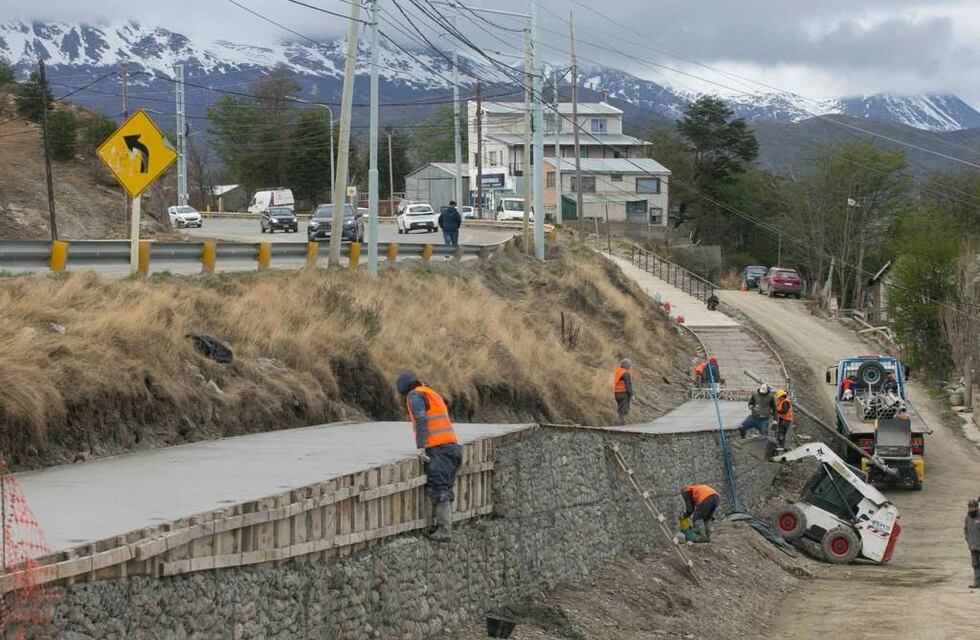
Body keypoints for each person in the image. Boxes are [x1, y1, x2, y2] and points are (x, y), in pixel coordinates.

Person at [396, 372, 462, 541]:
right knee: (444, 486)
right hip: (452, 448)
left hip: (438, 448)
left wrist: (421, 446)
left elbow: (421, 418)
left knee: (440, 487)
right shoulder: (431, 392)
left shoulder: (415, 395)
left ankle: (444, 529)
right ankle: (441, 526)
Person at [613, 358, 634, 424]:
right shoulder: (626, 373)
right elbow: (628, 384)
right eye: (629, 365)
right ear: (626, 365)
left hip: (616, 393)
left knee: (620, 406)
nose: (630, 367)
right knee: (623, 407)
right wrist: (631, 394)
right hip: (623, 393)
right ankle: (620, 421)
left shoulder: (617, 371)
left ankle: (620, 420)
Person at [965, 499, 980, 588]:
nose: (970, 509)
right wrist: (968, 539)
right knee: (975, 564)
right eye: (969, 507)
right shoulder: (968, 517)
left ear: (976, 507)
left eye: (972, 507)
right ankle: (977, 582)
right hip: (973, 545)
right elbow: (965, 529)